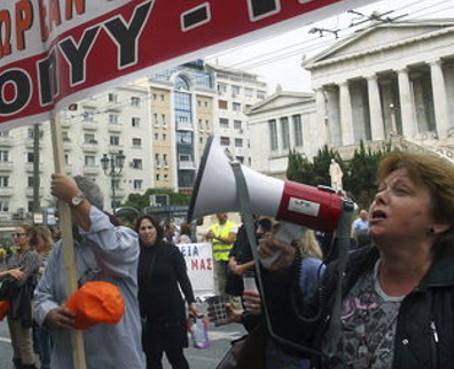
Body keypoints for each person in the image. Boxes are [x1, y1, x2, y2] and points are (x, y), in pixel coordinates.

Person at [258, 151, 454, 368]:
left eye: (400, 191)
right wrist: (281, 276)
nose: (380, 197)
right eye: (380, 189)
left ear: (440, 221)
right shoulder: (344, 272)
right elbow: (294, 338)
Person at [33, 174, 144, 369]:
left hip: (116, 359)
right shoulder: (60, 249)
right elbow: (41, 296)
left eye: (63, 208)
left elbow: (109, 246)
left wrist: (75, 198)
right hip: (70, 359)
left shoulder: (125, 240)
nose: (58, 216)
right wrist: (49, 313)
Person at [136, 215, 197, 369]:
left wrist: (191, 302)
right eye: (142, 228)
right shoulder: (134, 254)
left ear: (157, 229)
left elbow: (183, 278)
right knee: (152, 358)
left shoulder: (171, 251)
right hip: (148, 315)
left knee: (175, 356)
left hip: (172, 313)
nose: (147, 231)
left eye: (150, 227)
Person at [0, 224, 39, 369]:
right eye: (14, 235)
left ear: (28, 237)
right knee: (15, 342)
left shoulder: (32, 255)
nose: (15, 238)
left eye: (19, 235)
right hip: (11, 301)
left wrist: (9, 273)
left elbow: (21, 279)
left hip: (25, 302)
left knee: (25, 342)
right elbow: (4, 275)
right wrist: (10, 273)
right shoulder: (11, 255)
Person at [29, 226, 54, 369]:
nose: (35, 245)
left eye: (36, 241)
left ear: (45, 239)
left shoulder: (54, 252)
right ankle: (46, 363)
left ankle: (49, 363)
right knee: (41, 332)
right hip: (37, 297)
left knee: (51, 335)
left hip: (52, 297)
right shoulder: (34, 254)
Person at [205, 213, 237, 297]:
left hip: (230, 258)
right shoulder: (213, 227)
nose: (224, 214)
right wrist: (207, 236)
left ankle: (234, 302)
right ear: (217, 215)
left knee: (232, 282)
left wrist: (216, 236)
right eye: (221, 213)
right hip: (219, 258)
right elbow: (206, 237)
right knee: (222, 283)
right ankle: (224, 302)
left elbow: (230, 240)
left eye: (225, 212)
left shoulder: (232, 226)